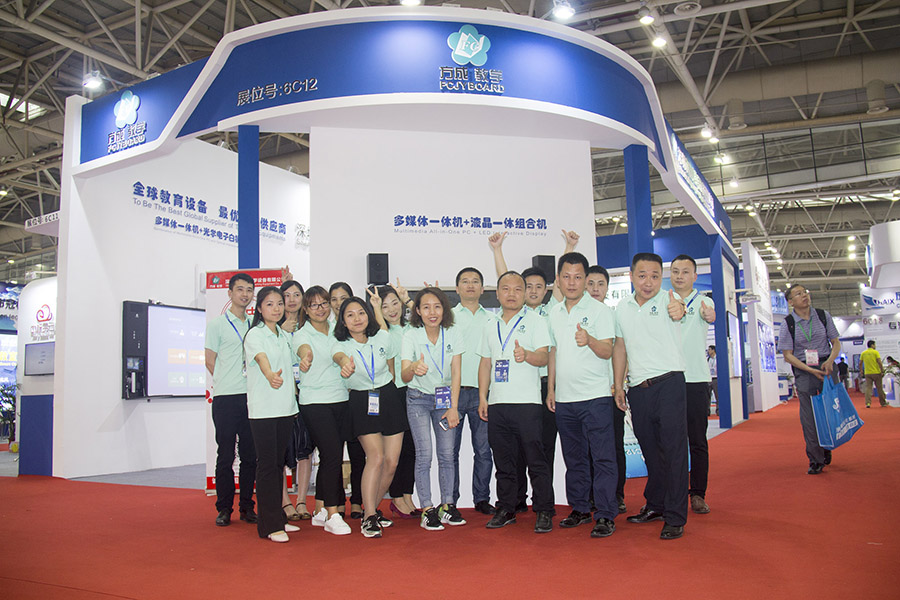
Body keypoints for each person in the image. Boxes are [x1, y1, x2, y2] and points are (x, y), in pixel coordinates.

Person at [487, 229, 577, 512]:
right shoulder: (507, 315)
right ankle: (515, 501)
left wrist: (569, 247)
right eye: (528, 287)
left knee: (540, 449)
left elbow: (560, 283)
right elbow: (506, 279)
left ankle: (542, 504)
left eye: (539, 287)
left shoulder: (548, 312)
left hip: (542, 386)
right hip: (513, 390)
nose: (533, 291)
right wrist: (498, 251)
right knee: (511, 452)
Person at [613, 252, 689, 541]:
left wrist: (679, 309)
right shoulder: (622, 308)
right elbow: (620, 348)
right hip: (638, 389)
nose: (648, 282)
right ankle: (656, 504)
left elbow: (679, 309)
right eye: (642, 275)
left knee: (674, 451)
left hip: (669, 384)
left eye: (655, 276)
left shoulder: (670, 299)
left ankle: (675, 516)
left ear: (662, 278)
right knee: (651, 451)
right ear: (631, 276)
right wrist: (618, 386)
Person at [547, 252, 618, 539]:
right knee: (574, 458)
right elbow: (553, 352)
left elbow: (608, 350)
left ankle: (605, 514)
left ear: (586, 279)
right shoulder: (554, 312)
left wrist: (589, 340)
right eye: (566, 276)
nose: (572, 282)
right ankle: (580, 508)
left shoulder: (600, 311)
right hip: (565, 400)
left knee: (602, 458)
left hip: (595, 397)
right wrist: (551, 389)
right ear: (558, 279)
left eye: (578, 277)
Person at [477, 271, 554, 533]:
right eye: (506, 289)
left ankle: (544, 510)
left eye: (517, 289)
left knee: (536, 460)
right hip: (498, 403)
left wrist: (527, 355)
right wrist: (483, 397)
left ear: (524, 294)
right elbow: (485, 363)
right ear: (497, 293)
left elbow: (544, 357)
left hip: (527, 403)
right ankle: (507, 508)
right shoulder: (490, 324)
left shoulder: (535, 321)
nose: (512, 294)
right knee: (504, 461)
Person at [332, 294, 407, 538]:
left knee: (392, 462)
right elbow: (339, 357)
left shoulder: (382, 337)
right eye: (350, 315)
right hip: (361, 400)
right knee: (376, 457)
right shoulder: (340, 344)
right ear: (343, 321)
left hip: (388, 397)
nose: (357, 319)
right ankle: (370, 516)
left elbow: (391, 364)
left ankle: (370, 509)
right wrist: (345, 364)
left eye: (361, 313)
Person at [401, 287, 465, 531]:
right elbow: (404, 375)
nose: (432, 312)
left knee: (447, 454)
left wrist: (454, 407)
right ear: (418, 311)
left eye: (437, 306)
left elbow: (456, 372)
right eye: (426, 307)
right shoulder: (411, 335)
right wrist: (413, 367)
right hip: (418, 398)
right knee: (424, 454)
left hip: (445, 400)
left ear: (444, 309)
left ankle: (447, 505)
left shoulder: (453, 332)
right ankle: (427, 509)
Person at [243, 286, 301, 543]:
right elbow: (262, 359)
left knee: (278, 465)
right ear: (259, 308)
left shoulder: (283, 335)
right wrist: (269, 375)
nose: (276, 308)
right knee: (267, 466)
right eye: (270, 304)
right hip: (264, 410)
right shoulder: (255, 334)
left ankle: (277, 517)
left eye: (279, 303)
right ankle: (268, 525)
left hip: (285, 409)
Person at [293, 286, 353, 535]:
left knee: (332, 456)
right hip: (315, 402)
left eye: (324, 303)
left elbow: (338, 353)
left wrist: (345, 362)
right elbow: (303, 350)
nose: (320, 309)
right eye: (314, 305)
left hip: (340, 398)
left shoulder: (337, 329)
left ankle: (321, 513)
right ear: (306, 310)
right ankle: (332, 513)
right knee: (331, 455)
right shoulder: (301, 334)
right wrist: (305, 358)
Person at [205, 273, 257, 527]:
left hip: (252, 397)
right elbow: (210, 360)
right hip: (225, 397)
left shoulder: (255, 325)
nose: (245, 294)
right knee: (225, 455)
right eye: (240, 289)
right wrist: (228, 380)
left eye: (249, 290)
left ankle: (247, 506)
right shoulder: (217, 325)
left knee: (250, 456)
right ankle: (224, 508)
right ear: (230, 293)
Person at [776, 284, 842, 474]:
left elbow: (836, 342)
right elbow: (787, 355)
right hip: (804, 370)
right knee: (809, 417)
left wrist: (830, 361)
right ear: (790, 302)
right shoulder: (788, 323)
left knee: (831, 410)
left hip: (827, 367)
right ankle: (815, 459)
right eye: (798, 294)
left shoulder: (822, 315)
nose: (804, 295)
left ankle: (827, 445)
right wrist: (809, 370)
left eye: (805, 292)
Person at [670, 255, 716, 515]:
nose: (679, 276)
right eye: (675, 271)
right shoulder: (663, 300)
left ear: (695, 276)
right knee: (670, 442)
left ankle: (698, 493)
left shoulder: (703, 301)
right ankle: (671, 493)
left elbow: (709, 315)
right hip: (668, 379)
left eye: (685, 271)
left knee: (697, 441)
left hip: (696, 380)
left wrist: (709, 315)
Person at [450, 267, 495, 515]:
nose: (470, 285)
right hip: (454, 394)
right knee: (450, 452)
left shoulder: (492, 319)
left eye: (475, 281)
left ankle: (482, 498)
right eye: (465, 282)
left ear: (483, 288)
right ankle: (451, 501)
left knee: (484, 450)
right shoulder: (448, 317)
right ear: (457, 289)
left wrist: (486, 394)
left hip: (482, 394)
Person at [375, 281, 420, 519]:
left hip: (415, 392)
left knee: (412, 447)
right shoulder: (380, 333)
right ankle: (396, 497)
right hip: (393, 394)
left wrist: (408, 299)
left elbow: (431, 318)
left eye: (395, 303)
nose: (392, 309)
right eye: (385, 306)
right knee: (396, 451)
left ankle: (407, 494)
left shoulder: (411, 327)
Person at [329, 281, 364, 519]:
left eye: (343, 298)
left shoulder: (358, 327)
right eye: (334, 299)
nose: (338, 303)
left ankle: (358, 501)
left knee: (358, 453)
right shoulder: (327, 327)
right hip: (332, 399)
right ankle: (337, 501)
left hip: (354, 399)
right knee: (333, 454)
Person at [278, 280, 313, 522]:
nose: (291, 300)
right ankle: (284, 501)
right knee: (281, 451)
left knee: (305, 450)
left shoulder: (308, 327)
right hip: (280, 395)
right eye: (287, 295)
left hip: (306, 395)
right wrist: (282, 329)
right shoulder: (273, 328)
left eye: (296, 295)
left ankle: (301, 500)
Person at [860, 341, 889, 408]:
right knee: (879, 388)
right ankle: (883, 403)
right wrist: (882, 370)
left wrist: (861, 370)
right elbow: (879, 362)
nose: (875, 346)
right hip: (876, 373)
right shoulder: (875, 352)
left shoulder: (863, 353)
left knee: (868, 388)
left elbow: (860, 363)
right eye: (874, 345)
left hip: (867, 373)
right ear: (872, 345)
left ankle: (868, 403)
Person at [708, 346, 718, 412]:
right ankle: (707, 410)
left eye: (709, 349)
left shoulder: (717, 358)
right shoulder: (708, 359)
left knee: (717, 395)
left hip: (716, 378)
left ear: (713, 350)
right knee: (707, 396)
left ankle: (718, 410)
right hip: (709, 378)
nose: (708, 351)